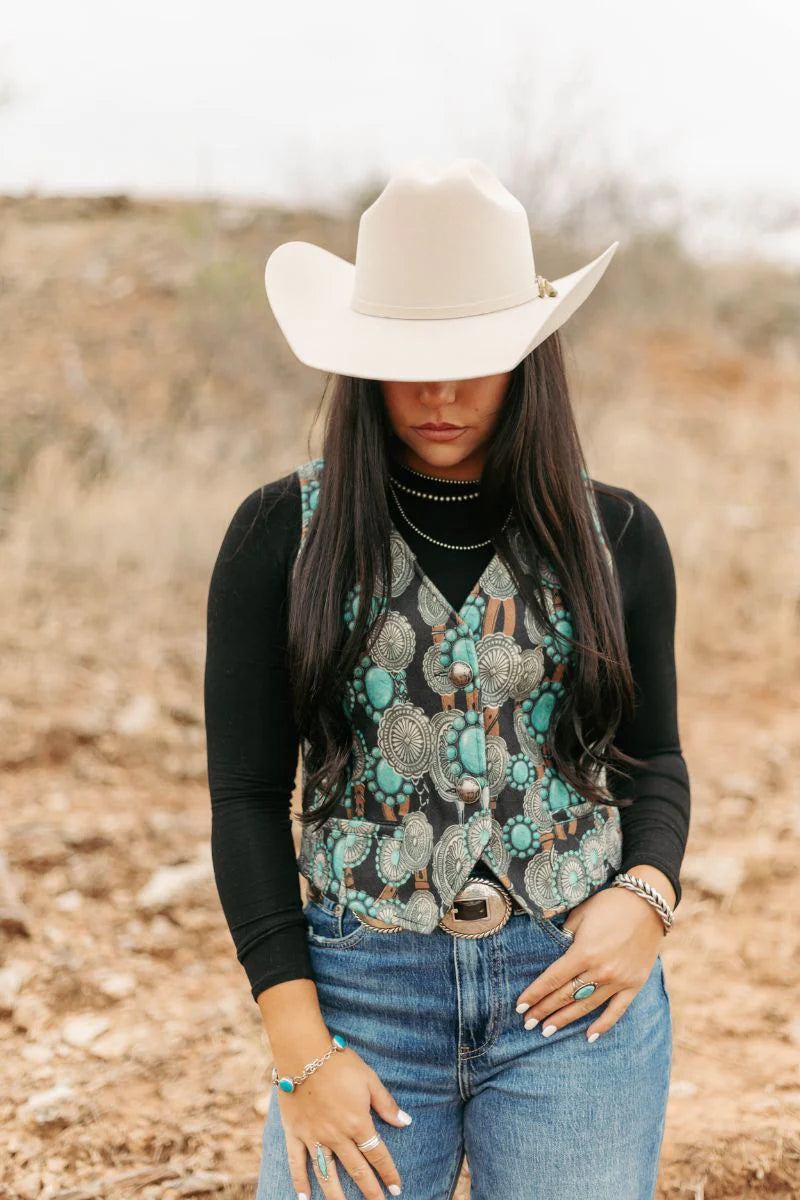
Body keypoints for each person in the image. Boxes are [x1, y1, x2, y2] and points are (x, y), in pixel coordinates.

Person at [204, 158, 690, 1200]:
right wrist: (299, 1051)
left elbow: (652, 756)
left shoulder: (614, 536)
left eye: (471, 356)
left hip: (569, 995)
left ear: (528, 357)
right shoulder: (277, 537)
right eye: (403, 358)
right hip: (359, 997)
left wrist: (644, 901)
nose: (436, 391)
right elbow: (246, 797)